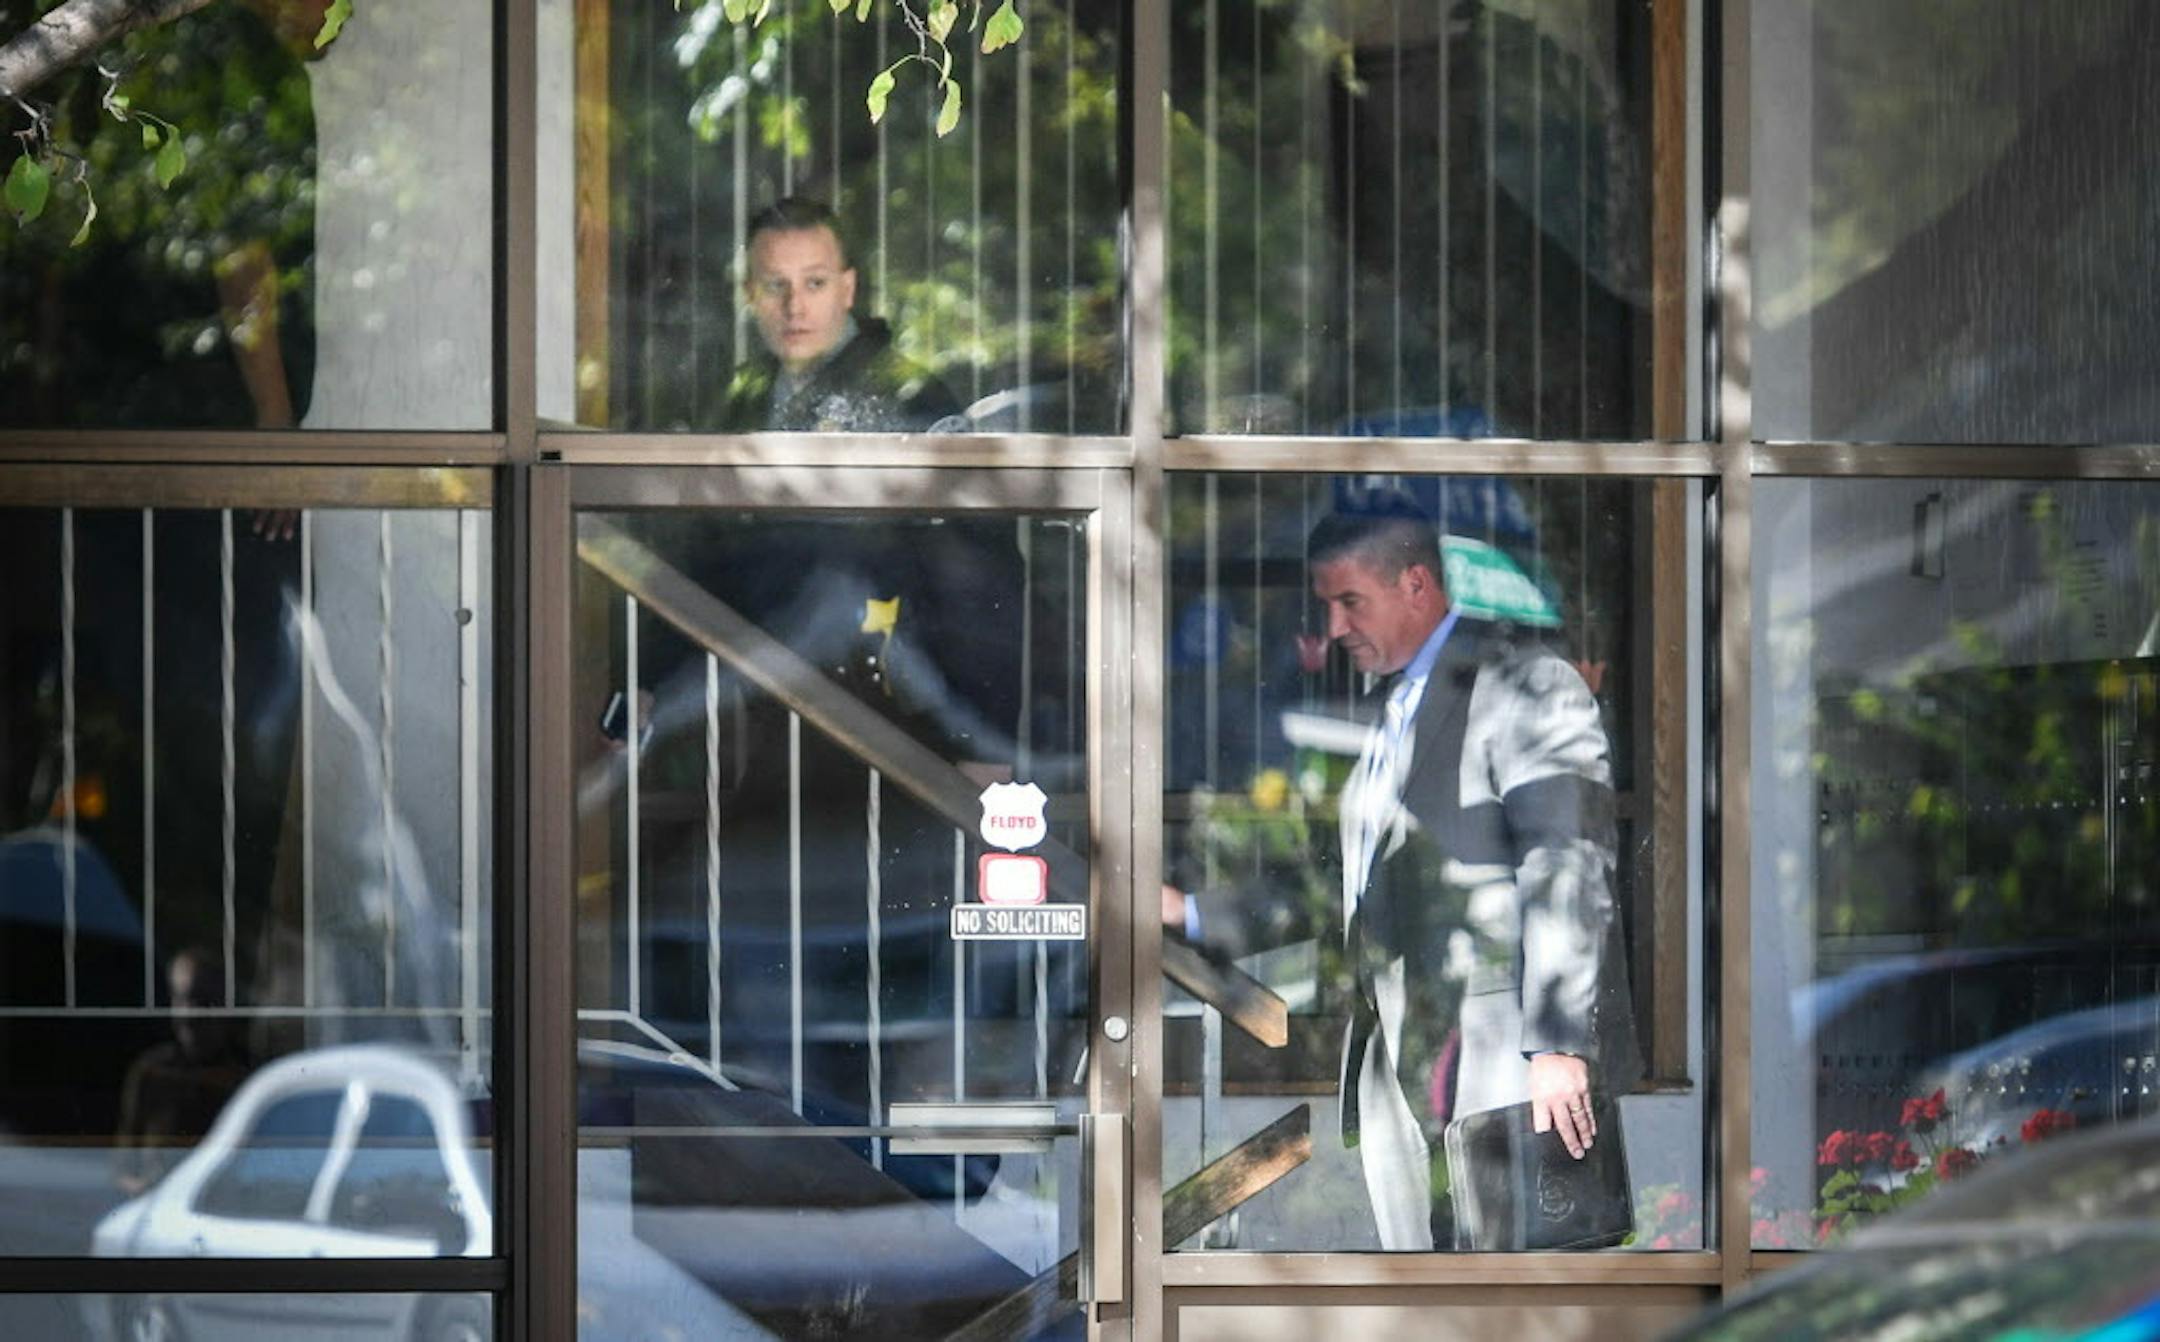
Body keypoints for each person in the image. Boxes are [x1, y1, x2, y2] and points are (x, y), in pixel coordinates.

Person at [1166, 501, 1640, 1250]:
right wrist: (1191, 913)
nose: (1334, 628)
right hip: (1401, 1062)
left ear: (1417, 585)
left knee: (1514, 1308)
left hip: (1501, 1056)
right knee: (1427, 1298)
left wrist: (1556, 1045)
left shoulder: (1525, 684)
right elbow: (1342, 890)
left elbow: (1567, 858)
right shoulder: (1390, 708)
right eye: (1326, 606)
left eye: (1350, 601)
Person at [719, 197, 963, 433]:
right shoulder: (741, 396)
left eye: (815, 283)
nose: (794, 307)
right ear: (750, 295)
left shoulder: (912, 396)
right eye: (775, 285)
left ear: (847, 289)